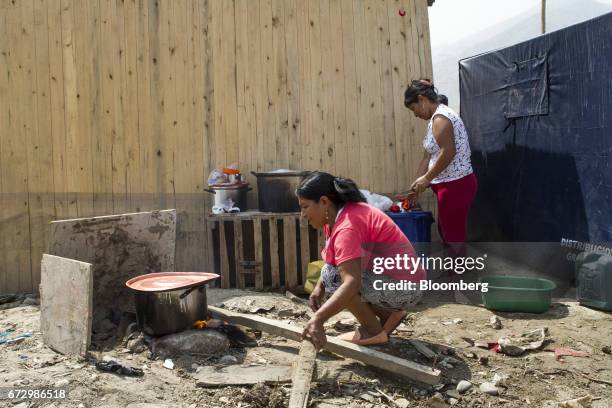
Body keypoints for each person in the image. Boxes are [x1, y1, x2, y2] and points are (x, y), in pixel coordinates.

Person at [297, 172, 425, 351]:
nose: (302, 214)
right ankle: (388, 316)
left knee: (334, 278)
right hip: (399, 281)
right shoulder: (339, 217)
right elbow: (333, 260)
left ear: (324, 202)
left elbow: (351, 282)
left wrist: (318, 319)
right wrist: (319, 288)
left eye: (305, 207)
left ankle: (373, 331)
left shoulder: (347, 226)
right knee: (330, 274)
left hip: (405, 288)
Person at [401, 79, 477, 257]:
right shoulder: (434, 119)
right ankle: (454, 274)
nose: (415, 114)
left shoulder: (441, 118)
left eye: (414, 109)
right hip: (446, 185)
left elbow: (448, 152)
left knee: (453, 236)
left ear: (422, 99)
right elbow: (428, 156)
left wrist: (427, 178)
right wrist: (415, 187)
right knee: (446, 232)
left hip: (456, 185)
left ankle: (458, 279)